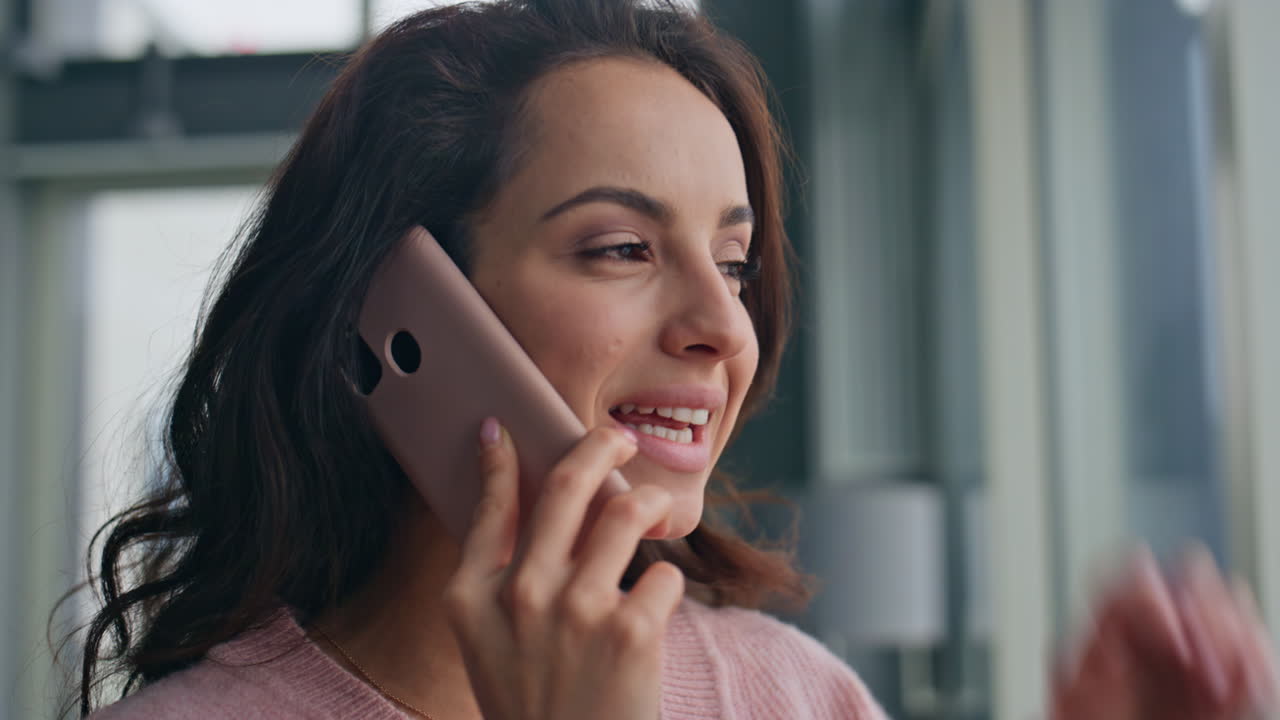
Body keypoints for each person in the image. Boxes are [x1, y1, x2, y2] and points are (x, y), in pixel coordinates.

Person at [69, 1, 1277, 718]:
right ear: (403, 305)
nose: (721, 325)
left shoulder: (790, 696)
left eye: (736, 263)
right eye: (619, 248)